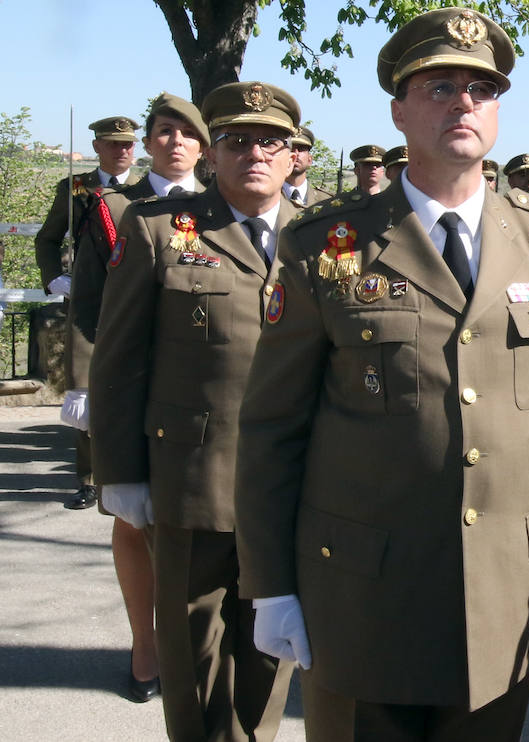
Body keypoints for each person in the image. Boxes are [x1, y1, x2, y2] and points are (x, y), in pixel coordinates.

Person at [234, 8, 529, 741]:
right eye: (440, 87)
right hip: (363, 591)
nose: (464, 103)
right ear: (399, 108)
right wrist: (271, 586)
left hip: (504, 584)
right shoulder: (324, 246)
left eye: (482, 88)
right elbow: (273, 426)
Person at [89, 81, 299, 741]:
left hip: (297, 490)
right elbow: (118, 359)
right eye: (237, 141)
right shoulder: (158, 230)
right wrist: (119, 474)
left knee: (274, 664)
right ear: (212, 154)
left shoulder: (328, 238)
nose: (255, 154)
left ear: (295, 155)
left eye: (272, 142)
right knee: (197, 673)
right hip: (193, 486)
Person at [61, 92, 208, 704]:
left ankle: (198, 646)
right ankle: (144, 648)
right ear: (148, 143)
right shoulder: (111, 207)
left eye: (186, 133)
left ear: (203, 146)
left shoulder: (222, 207)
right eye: (163, 132)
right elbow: (92, 305)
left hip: (205, 392)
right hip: (134, 387)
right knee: (132, 520)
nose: (174, 142)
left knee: (204, 527)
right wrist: (97, 381)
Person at [36, 115, 141, 510]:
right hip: (90, 299)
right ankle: (88, 478)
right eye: (113, 144)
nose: (121, 151)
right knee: (87, 388)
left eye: (128, 144)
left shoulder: (147, 190)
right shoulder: (77, 189)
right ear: (96, 147)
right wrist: (54, 279)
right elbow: (48, 239)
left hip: (134, 296)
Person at [283, 125, 332, 207]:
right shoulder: (266, 198)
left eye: (301, 149)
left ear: (310, 160)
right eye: (291, 148)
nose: (296, 153)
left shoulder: (326, 201)